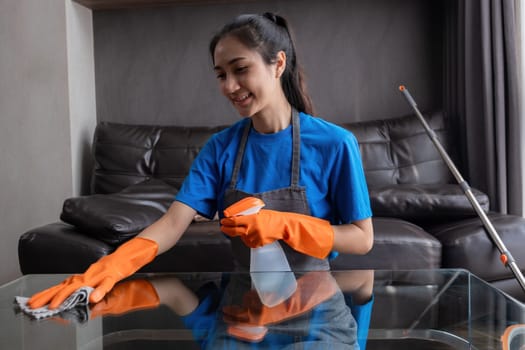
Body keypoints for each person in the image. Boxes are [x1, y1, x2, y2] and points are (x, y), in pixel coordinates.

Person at [28, 12, 373, 311]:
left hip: (317, 308)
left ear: (278, 63)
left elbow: (361, 239)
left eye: (240, 69)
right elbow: (172, 224)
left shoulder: (334, 143)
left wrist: (285, 225)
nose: (230, 86)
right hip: (245, 307)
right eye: (221, 75)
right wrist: (112, 266)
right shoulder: (220, 148)